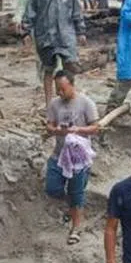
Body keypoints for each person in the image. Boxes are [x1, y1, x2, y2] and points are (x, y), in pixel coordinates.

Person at [45, 71, 99, 245]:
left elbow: (95, 127)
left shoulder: (86, 103)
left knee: (76, 193)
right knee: (52, 187)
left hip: (78, 157)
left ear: (72, 85)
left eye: (62, 89)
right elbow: (49, 125)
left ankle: (76, 227)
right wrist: (54, 130)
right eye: (57, 90)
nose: (60, 93)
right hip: (58, 154)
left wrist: (78, 130)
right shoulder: (54, 104)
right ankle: (71, 208)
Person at [22, 0, 87, 105]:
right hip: (45, 36)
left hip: (66, 35)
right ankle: (49, 102)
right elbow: (30, 12)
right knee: (48, 69)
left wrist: (81, 31)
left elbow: (77, 12)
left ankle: (69, 97)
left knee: (69, 67)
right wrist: (26, 32)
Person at [14, 0, 45, 95]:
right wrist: (18, 21)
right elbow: (22, 4)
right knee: (40, 55)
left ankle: (54, 80)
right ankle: (42, 80)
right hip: (35, 26)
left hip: (52, 26)